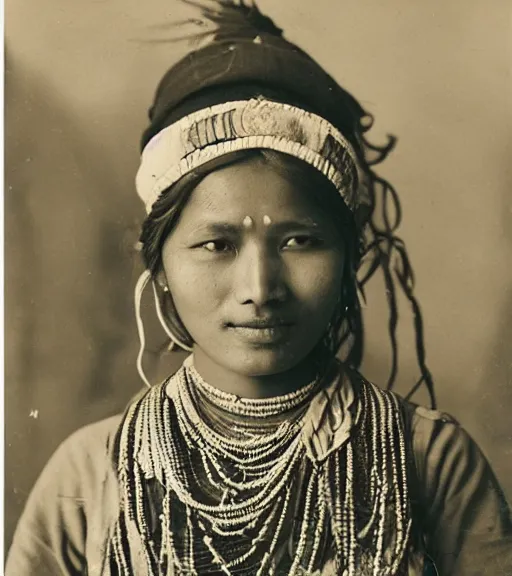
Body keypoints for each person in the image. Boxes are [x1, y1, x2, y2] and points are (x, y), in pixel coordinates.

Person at [6, 2, 512, 575]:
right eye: (217, 245)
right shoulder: (87, 475)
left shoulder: (427, 461)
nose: (260, 288)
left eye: (299, 242)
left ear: (351, 258)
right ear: (161, 266)